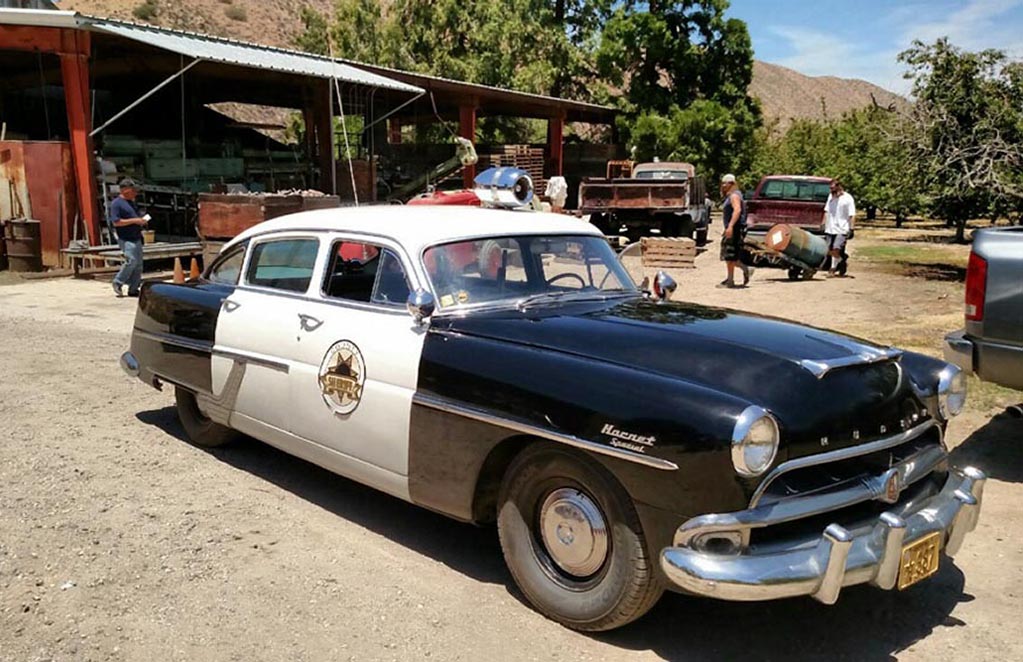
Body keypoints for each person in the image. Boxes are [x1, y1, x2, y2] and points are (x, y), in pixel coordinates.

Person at [108, 179, 147, 297]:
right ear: (124, 190)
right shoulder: (116, 204)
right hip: (126, 238)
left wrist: (142, 221)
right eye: (133, 190)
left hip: (136, 236)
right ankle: (118, 282)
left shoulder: (132, 203)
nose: (135, 192)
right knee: (131, 261)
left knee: (139, 264)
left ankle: (134, 288)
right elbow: (116, 222)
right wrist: (135, 221)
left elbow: (135, 216)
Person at [718, 174, 752, 288]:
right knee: (729, 255)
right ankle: (737, 274)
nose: (723, 185)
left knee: (730, 254)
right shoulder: (733, 195)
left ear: (732, 184)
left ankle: (731, 280)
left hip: (735, 228)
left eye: (725, 183)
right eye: (722, 183)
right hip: (732, 228)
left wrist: (731, 226)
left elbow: (737, 211)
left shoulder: (734, 196)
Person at [822, 178, 856, 277]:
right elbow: (826, 211)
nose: (831, 190)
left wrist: (851, 228)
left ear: (838, 187)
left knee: (836, 248)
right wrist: (823, 224)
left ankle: (832, 269)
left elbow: (852, 214)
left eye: (833, 188)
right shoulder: (830, 197)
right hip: (830, 228)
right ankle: (842, 261)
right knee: (828, 249)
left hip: (842, 228)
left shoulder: (848, 198)